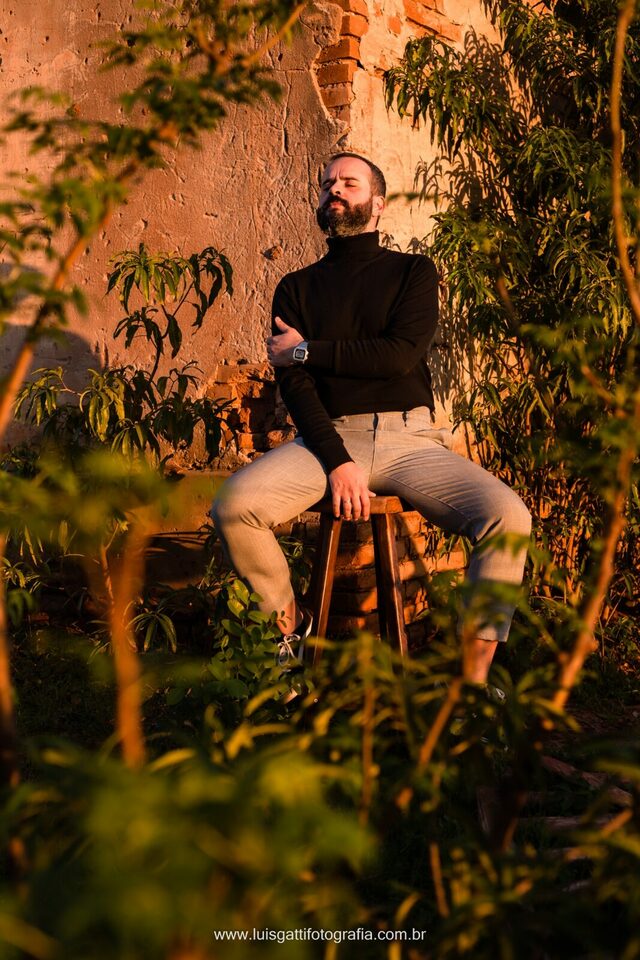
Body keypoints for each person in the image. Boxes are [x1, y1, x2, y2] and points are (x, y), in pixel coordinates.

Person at [210, 152, 532, 684]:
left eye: (349, 182)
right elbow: (296, 387)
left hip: (410, 440)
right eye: (327, 184)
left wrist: (306, 350)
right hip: (328, 440)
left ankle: (472, 686)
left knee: (508, 517)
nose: (334, 189)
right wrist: (338, 461)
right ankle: (288, 637)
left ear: (377, 204)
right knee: (234, 506)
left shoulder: (412, 272)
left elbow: (397, 356)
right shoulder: (295, 287)